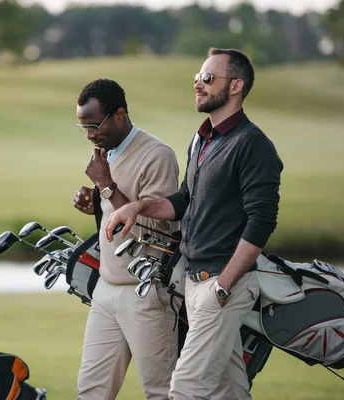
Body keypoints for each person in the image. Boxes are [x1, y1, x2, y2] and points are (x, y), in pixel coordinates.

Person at [104, 48, 283, 399]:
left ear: (235, 86)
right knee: (229, 390)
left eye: (207, 78)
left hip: (224, 285)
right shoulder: (201, 139)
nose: (198, 85)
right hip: (194, 282)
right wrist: (135, 207)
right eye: (197, 78)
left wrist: (224, 285)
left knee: (185, 389)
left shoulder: (253, 145)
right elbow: (184, 200)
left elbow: (262, 222)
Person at [72, 79, 181, 400]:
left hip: (146, 293)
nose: (90, 135)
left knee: (160, 392)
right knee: (90, 391)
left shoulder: (157, 155)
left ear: (119, 114)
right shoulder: (108, 152)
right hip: (106, 290)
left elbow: (154, 233)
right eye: (84, 127)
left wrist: (105, 186)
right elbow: (117, 210)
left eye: (94, 125)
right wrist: (96, 200)